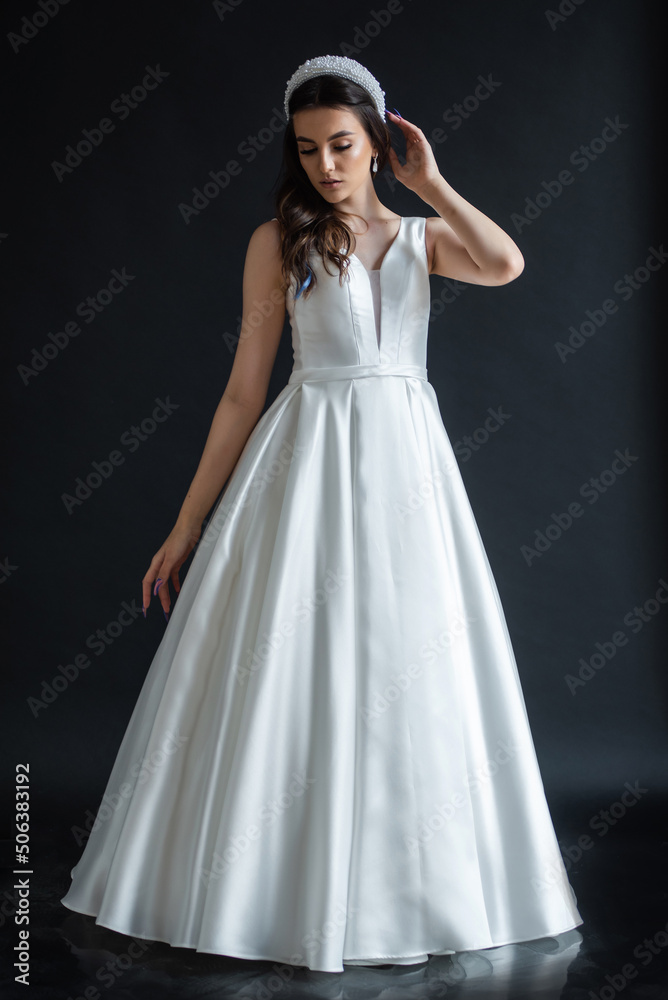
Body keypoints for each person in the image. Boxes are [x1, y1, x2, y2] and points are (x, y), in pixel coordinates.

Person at [60, 54, 584, 974]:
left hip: (407, 474)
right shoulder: (281, 241)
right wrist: (185, 527)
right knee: (289, 664)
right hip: (304, 465)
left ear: (378, 142)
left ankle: (409, 891)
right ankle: (263, 889)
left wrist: (431, 182)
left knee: (413, 659)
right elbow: (238, 397)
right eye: (308, 150)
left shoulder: (424, 239)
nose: (326, 167)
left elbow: (506, 263)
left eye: (344, 145)